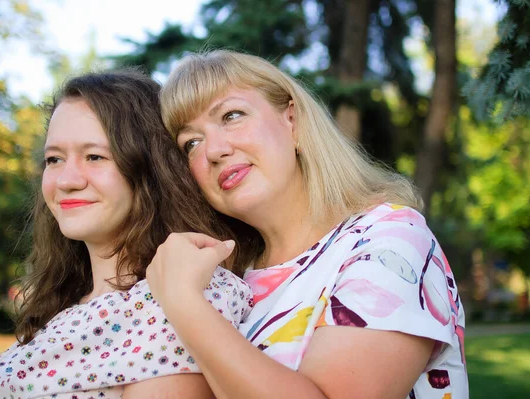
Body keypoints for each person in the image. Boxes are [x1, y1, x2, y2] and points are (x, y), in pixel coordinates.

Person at [146, 50, 468, 399]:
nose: (214, 150)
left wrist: (183, 302)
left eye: (231, 115)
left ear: (292, 120)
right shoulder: (227, 278)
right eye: (191, 142)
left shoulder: (389, 238)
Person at [0, 69, 253, 399]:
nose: (66, 180)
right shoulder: (60, 306)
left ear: (151, 170)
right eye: (54, 159)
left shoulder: (184, 294)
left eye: (94, 156)